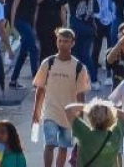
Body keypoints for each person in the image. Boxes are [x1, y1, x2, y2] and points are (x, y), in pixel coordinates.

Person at [32, 28, 91, 167]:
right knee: (50, 143)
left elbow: (81, 95)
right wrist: (36, 112)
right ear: (56, 42)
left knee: (64, 147)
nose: (63, 44)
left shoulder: (79, 68)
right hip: (50, 111)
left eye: (66, 41)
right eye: (60, 41)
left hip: (68, 115)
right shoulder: (48, 63)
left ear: (73, 43)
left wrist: (81, 119)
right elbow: (40, 89)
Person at [64, 99, 123, 167]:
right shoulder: (114, 135)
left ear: (91, 116)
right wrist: (110, 108)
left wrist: (90, 107)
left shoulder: (84, 132)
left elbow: (68, 109)